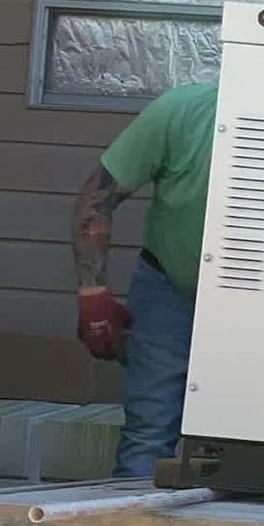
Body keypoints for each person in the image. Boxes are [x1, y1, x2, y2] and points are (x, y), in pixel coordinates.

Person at [71, 82, 218, 479]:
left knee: (241, 444)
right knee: (148, 435)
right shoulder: (183, 111)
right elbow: (96, 197)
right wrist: (92, 291)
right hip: (169, 289)